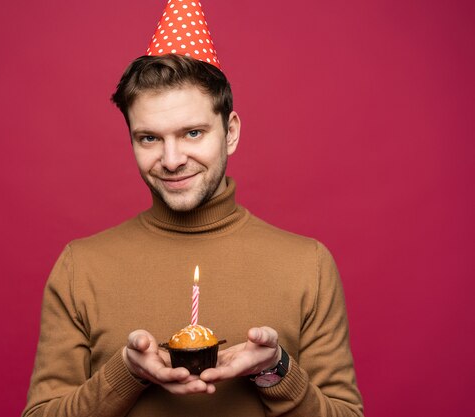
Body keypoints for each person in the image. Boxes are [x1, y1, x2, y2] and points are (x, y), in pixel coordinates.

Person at [23, 2, 363, 416]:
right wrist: (126, 372)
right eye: (149, 138)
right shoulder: (81, 267)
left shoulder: (307, 265)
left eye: (193, 132)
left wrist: (274, 370)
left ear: (230, 132)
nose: (170, 159)